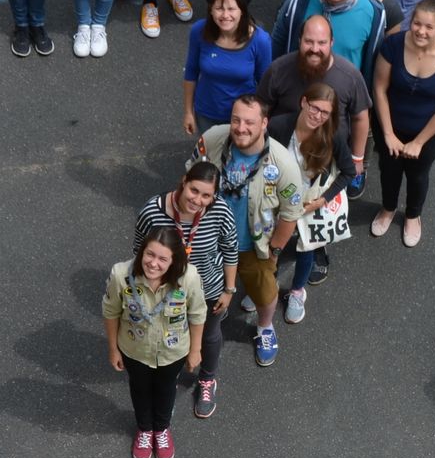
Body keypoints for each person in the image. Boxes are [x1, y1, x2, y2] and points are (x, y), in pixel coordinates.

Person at [189, 94, 300, 367]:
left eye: (249, 122)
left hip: (254, 246)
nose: (241, 128)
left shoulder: (283, 164)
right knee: (203, 288)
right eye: (236, 120)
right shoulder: (212, 139)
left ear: (264, 123)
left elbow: (290, 213)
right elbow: (190, 177)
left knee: (264, 293)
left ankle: (265, 327)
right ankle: (214, 313)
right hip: (211, 241)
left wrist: (274, 250)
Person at [133, 163, 238, 419]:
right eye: (194, 190)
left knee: (209, 335)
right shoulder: (153, 211)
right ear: (184, 181)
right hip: (166, 293)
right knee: (169, 336)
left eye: (206, 195)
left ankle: (207, 379)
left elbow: (230, 249)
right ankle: (169, 380)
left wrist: (229, 289)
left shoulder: (220, 211)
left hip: (208, 288)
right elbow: (139, 249)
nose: (198, 200)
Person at [103, 227, 206, 458]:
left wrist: (195, 350)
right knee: (139, 388)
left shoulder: (188, 277)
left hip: (173, 351)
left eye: (162, 259)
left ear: (174, 260)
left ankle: (161, 429)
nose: (153, 263)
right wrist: (113, 348)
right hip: (134, 349)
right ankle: (144, 429)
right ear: (142, 251)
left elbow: (197, 314)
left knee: (166, 388)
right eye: (149, 254)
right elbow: (110, 312)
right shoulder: (121, 274)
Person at [371, 0, 435, 247]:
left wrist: (418, 142)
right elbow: (379, 88)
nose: (420, 31)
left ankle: (413, 215)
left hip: (428, 133)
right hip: (390, 125)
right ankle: (388, 208)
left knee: (417, 175)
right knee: (389, 170)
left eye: (428, 27)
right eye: (416, 24)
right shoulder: (393, 44)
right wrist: (388, 133)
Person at [256, 13, 372, 213]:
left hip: (328, 160)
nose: (315, 49)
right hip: (283, 156)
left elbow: (360, 117)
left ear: (331, 43)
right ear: (299, 40)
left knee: (312, 214)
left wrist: (357, 158)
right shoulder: (278, 70)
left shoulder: (350, 75)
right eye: (309, 41)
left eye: (322, 43)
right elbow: (261, 109)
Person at [266, 83, 357, 323]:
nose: (318, 116)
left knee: (306, 247)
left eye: (325, 112)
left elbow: (349, 172)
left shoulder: (333, 135)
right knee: (270, 245)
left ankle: (297, 291)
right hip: (276, 199)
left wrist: (323, 200)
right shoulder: (278, 125)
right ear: (304, 102)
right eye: (315, 108)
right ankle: (267, 287)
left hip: (308, 203)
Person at [270, 0, 386, 95]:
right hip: (297, 90)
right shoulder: (298, 0)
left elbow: (374, 63)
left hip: (343, 96)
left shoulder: (373, 12)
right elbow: (277, 44)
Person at [182, 0, 272, 135]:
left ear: (242, 11)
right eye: (219, 8)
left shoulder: (260, 40)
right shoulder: (199, 31)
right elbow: (191, 73)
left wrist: (260, 120)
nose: (225, 15)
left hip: (243, 118)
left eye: (231, 9)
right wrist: (188, 112)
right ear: (211, 10)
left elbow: (265, 85)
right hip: (206, 113)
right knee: (211, 150)